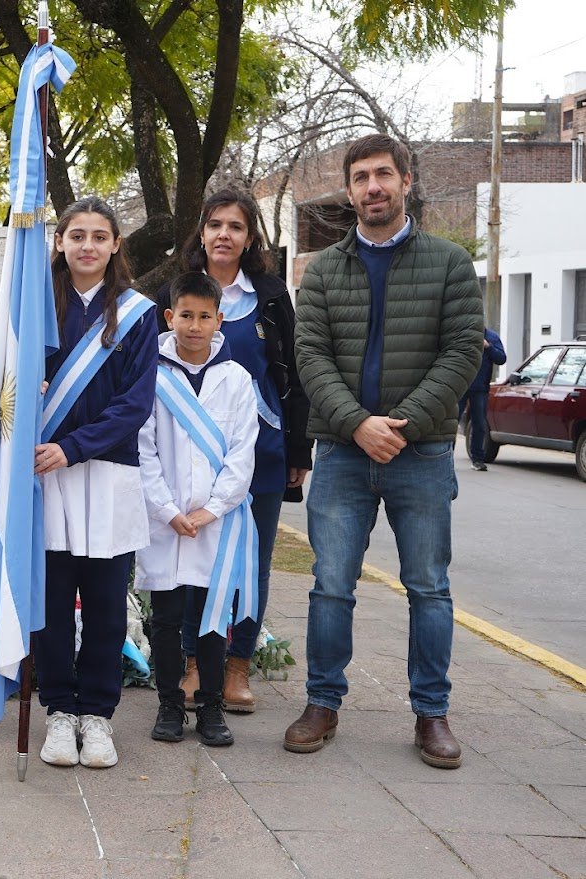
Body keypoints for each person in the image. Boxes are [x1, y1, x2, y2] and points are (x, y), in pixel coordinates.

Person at [288, 133, 483, 769]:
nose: (372, 187)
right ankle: (322, 702)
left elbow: (463, 353)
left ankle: (432, 714)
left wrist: (398, 425)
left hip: (420, 454)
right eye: (361, 178)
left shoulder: (450, 263)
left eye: (383, 175)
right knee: (330, 585)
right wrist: (357, 425)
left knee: (428, 587)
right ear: (349, 192)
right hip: (344, 456)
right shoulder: (323, 272)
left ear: (404, 182)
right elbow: (310, 357)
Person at [154, 188, 311, 714]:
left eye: (236, 227)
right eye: (216, 224)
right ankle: (196, 665)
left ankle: (238, 666)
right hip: (183, 455)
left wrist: (298, 450)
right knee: (191, 559)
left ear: (250, 238)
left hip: (256, 455)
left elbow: (292, 372)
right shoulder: (175, 293)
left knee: (251, 563)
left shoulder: (268, 295)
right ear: (201, 231)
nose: (225, 234)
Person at [35, 196, 157, 769]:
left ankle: (98, 715)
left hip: (106, 473)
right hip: (46, 474)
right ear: (59, 242)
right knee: (54, 600)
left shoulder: (137, 312)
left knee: (107, 601)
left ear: (115, 246)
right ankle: (59, 709)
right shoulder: (36, 305)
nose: (87, 245)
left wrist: (74, 447)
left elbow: (135, 404)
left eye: (99, 236)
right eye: (76, 235)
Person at [137, 272, 258, 748]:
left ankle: (209, 706)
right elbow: (142, 448)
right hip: (164, 521)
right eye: (185, 315)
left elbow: (243, 450)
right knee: (166, 617)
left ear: (218, 320)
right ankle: (169, 703)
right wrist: (166, 509)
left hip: (215, 523)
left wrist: (213, 509)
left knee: (211, 618)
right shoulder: (151, 374)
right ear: (170, 317)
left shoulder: (236, 379)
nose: (194, 325)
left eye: (204, 316)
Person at [458, 327, 507, 471]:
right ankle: (446, 457)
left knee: (479, 424)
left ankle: (477, 459)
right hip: (460, 385)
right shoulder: (462, 333)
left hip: (480, 388)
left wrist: (488, 347)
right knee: (452, 420)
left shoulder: (491, 337)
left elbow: (501, 359)